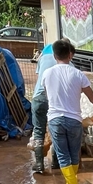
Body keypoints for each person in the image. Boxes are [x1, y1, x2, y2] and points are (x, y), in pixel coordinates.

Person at [42, 39, 93, 184]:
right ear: (70, 55)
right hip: (74, 120)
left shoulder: (47, 73)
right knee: (73, 153)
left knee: (62, 154)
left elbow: (47, 94)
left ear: (54, 55)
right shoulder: (78, 74)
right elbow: (92, 98)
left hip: (55, 119)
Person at [29, 40, 59, 174]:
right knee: (56, 130)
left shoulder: (43, 58)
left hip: (38, 98)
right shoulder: (67, 62)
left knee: (38, 131)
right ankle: (56, 162)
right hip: (54, 99)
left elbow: (39, 75)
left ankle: (39, 163)